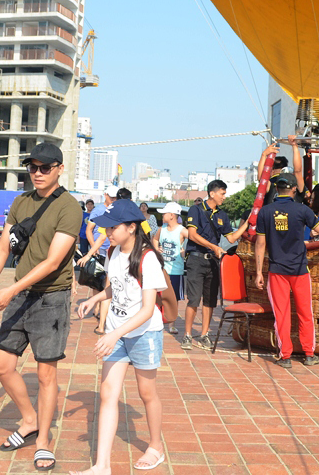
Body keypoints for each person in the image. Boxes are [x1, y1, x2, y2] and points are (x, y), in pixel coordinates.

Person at [0, 142, 80, 473]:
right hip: (19, 295)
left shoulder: (69, 207)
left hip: (51, 296)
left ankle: (43, 442)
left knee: (45, 373)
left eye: (45, 168)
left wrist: (11, 290)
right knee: (2, 365)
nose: (37, 173)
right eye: (32, 167)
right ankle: (29, 419)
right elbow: (2, 250)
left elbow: (53, 262)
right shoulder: (21, 203)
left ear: (59, 169)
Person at [73, 200, 167, 473]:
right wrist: (96, 299)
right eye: (107, 227)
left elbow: (148, 310)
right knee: (107, 394)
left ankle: (155, 446)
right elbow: (117, 287)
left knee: (147, 393)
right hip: (117, 332)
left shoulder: (148, 258)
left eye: (113, 227)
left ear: (132, 227)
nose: (108, 233)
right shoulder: (113, 251)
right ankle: (102, 465)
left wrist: (113, 334)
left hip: (143, 334)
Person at [254, 174, 319, 368]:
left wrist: (259, 272)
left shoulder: (266, 212)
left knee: (282, 315)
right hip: (300, 270)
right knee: (305, 313)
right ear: (294, 189)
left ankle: (285, 356)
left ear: (277, 189)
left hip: (277, 271)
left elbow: (260, 244)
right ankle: (309, 355)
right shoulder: (303, 210)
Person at [181, 179, 250, 350]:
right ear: (212, 193)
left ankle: (204, 335)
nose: (224, 197)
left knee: (210, 301)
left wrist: (247, 223)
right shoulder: (195, 210)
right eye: (222, 193)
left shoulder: (222, 215)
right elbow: (192, 234)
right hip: (196, 260)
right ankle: (187, 335)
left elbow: (231, 238)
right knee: (194, 300)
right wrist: (213, 246)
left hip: (213, 262)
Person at [80, 186, 116, 334]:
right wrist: (92, 250)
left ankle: (101, 309)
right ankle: (97, 307)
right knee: (98, 280)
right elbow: (90, 230)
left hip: (112, 251)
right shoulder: (98, 210)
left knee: (107, 282)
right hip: (99, 250)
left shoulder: (116, 210)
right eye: (111, 196)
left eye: (116, 197)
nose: (113, 199)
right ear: (105, 195)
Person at [153, 202, 187, 335]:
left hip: (176, 271)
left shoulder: (182, 230)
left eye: (164, 213)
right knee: (158, 295)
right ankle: (158, 319)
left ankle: (171, 323)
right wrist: (156, 248)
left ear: (172, 215)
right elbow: (155, 240)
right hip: (162, 270)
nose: (162, 215)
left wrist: (185, 252)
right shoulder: (162, 229)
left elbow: (193, 240)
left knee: (174, 298)